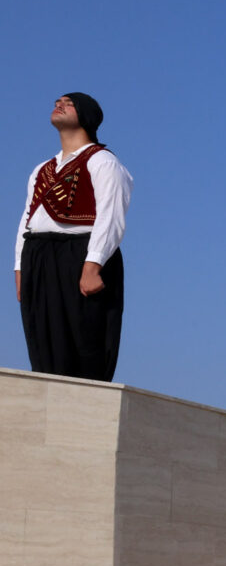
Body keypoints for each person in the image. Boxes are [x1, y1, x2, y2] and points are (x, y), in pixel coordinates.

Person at [16, 93, 133, 380]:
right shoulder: (41, 170)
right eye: (57, 102)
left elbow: (111, 216)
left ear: (86, 115)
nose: (59, 105)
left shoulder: (103, 161)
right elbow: (27, 220)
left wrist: (93, 265)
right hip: (39, 255)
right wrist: (20, 267)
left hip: (81, 254)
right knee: (43, 338)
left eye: (69, 103)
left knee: (85, 338)